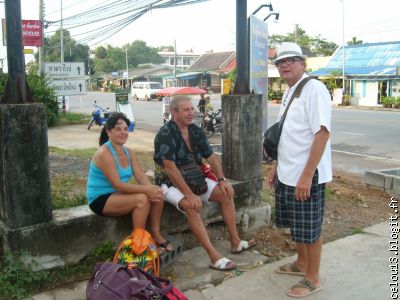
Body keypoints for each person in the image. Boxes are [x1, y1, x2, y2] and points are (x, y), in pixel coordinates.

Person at [154, 95, 256, 271]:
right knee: (192, 206)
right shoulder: (165, 134)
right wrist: (189, 194)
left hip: (194, 176)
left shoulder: (195, 130)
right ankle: (213, 256)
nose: (191, 113)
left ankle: (235, 241)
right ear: (174, 112)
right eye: (186, 109)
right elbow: (170, 169)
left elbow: (211, 156)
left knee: (226, 193)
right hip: (169, 182)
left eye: (192, 109)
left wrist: (222, 180)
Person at [268, 42, 332, 298]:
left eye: (290, 60)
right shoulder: (290, 91)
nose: (284, 65)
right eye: (280, 62)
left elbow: (322, 133)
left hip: (307, 174)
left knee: (310, 228)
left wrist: (307, 175)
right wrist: (276, 165)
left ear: (302, 63)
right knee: (297, 226)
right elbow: (288, 134)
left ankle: (312, 278)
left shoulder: (314, 89)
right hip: (288, 171)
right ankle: (301, 263)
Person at [86, 112, 173, 253]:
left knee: (156, 193)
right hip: (100, 199)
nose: (123, 132)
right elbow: (117, 185)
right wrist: (146, 190)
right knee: (142, 200)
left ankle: (156, 235)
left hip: (117, 195)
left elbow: (139, 175)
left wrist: (151, 188)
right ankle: (139, 245)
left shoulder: (129, 152)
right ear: (109, 131)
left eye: (125, 129)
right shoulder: (104, 154)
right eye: (118, 129)